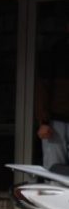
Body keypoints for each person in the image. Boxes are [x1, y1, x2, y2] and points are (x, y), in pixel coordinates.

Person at [35, 29, 69, 171]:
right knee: (54, 171)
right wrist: (44, 121)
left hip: (57, 118)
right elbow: (43, 88)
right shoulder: (57, 50)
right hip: (57, 120)